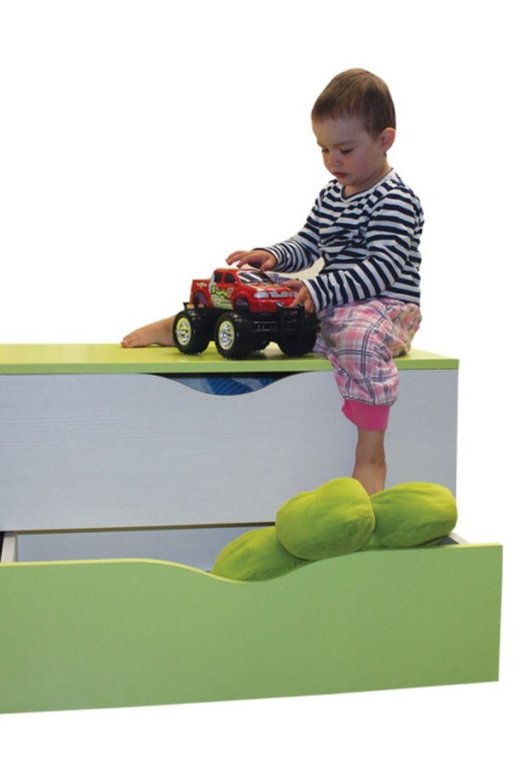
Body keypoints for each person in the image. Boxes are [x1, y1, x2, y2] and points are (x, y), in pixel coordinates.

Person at [122, 69, 423, 494]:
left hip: (387, 308)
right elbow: (308, 242)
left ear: (385, 140)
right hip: (336, 302)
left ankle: (371, 453)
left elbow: (383, 267)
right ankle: (194, 329)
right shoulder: (331, 195)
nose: (332, 161)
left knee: (356, 338)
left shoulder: (395, 199)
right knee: (262, 296)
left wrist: (318, 290)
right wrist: (274, 256)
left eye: (345, 149)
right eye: (323, 149)